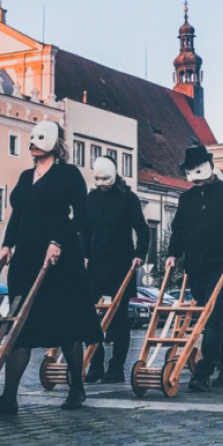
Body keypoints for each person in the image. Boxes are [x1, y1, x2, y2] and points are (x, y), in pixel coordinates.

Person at [0, 121, 102, 415]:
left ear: (54, 144)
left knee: (66, 325)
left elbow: (82, 217)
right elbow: (18, 214)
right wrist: (6, 244)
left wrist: (59, 242)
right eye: (32, 141)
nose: (34, 145)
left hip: (59, 260)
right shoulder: (26, 177)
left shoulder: (69, 174)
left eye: (40, 141)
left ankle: (77, 387)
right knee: (19, 325)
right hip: (26, 258)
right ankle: (9, 398)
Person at [166, 145, 223, 391]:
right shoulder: (186, 198)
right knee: (216, 318)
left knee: (212, 317)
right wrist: (173, 254)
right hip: (195, 267)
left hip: (222, 266)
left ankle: (204, 372)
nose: (195, 181)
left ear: (209, 168)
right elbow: (178, 229)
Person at [84, 156, 150, 384]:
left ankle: (116, 367)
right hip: (95, 264)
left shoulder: (127, 199)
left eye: (106, 179)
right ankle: (95, 362)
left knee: (120, 318)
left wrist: (139, 255)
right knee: (87, 313)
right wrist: (83, 255)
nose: (102, 184)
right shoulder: (91, 198)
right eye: (98, 179)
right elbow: (85, 229)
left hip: (122, 264)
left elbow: (143, 229)